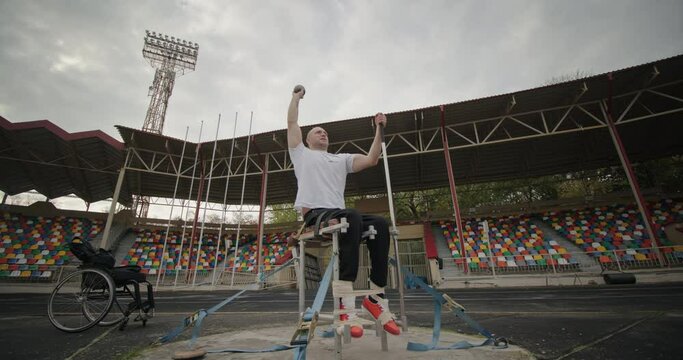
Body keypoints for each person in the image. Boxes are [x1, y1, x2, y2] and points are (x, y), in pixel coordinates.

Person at [287, 85, 400, 338]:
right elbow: (292, 122)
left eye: (325, 131)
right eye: (318, 131)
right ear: (307, 139)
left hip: (340, 214)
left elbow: (372, 159)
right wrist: (295, 98)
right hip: (316, 215)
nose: (323, 133)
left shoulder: (341, 159)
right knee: (351, 216)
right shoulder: (300, 154)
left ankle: (375, 296)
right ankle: (345, 304)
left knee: (380, 224)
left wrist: (379, 129)